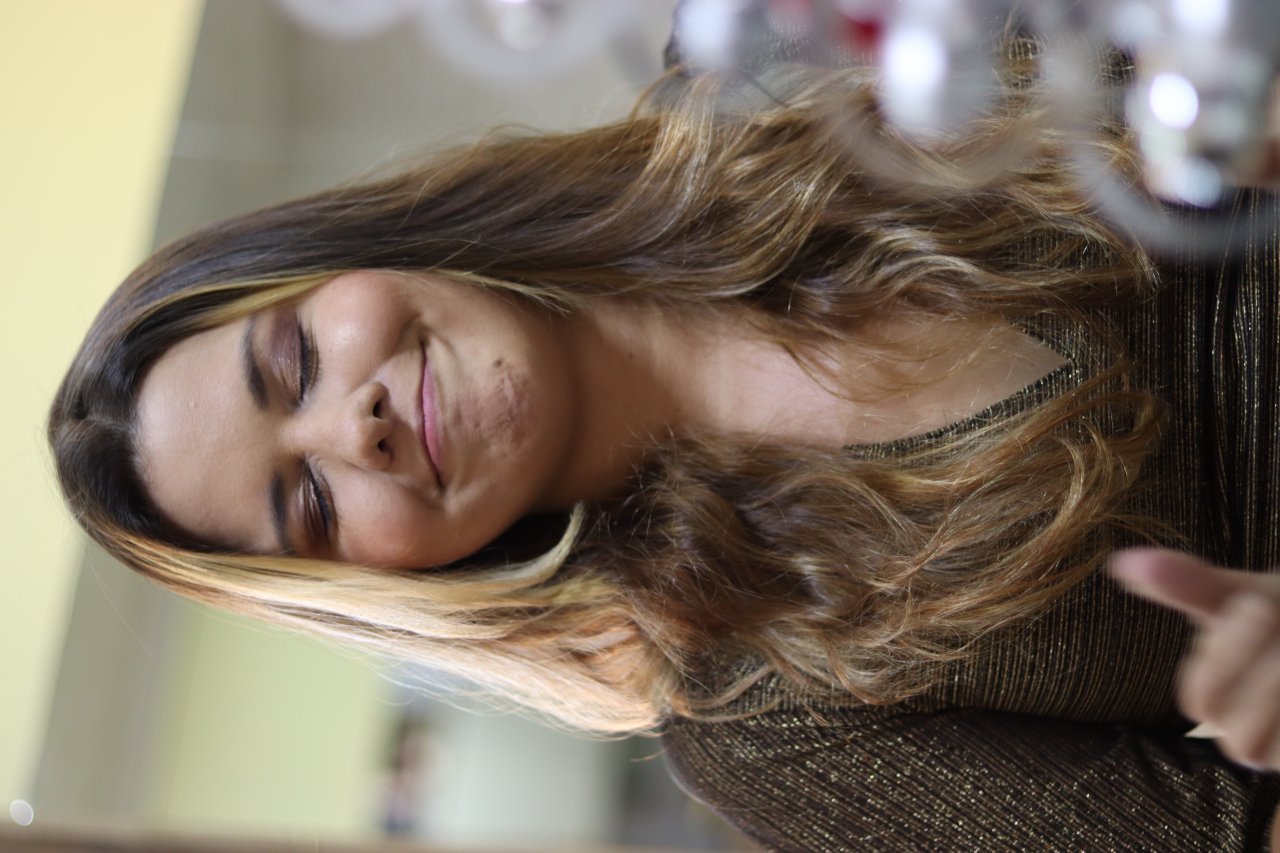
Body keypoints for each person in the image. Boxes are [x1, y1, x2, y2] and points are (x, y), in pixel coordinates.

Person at [48, 40, 1280, 849]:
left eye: (292, 360)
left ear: (342, 258)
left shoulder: (781, 77)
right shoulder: (756, 723)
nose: (349, 427)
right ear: (382, 579)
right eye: (310, 503)